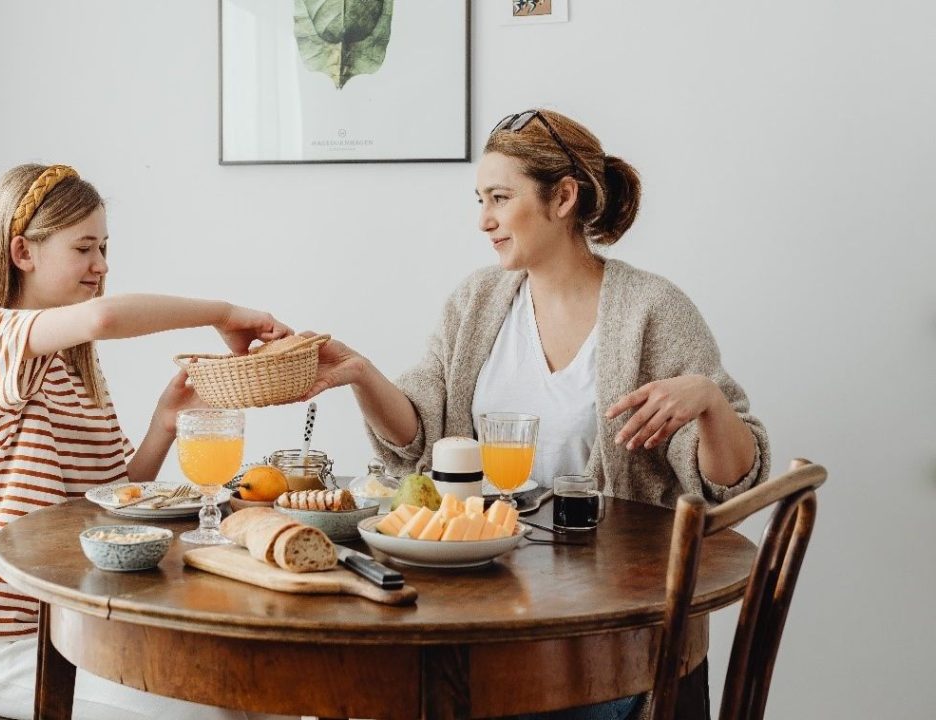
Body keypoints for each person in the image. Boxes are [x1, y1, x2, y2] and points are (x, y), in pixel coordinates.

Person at [303, 109, 771, 719]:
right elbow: (421, 434)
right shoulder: (478, 300)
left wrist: (707, 400)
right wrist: (362, 375)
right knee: (369, 694)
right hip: (484, 605)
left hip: (609, 633)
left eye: (500, 197)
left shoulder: (652, 311)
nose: (484, 220)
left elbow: (730, 480)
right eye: (480, 199)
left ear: (564, 198)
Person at [0, 163, 293, 720]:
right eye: (84, 248)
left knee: (265, 691)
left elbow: (113, 497)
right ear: (22, 253)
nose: (101, 266)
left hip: (81, 625)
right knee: (210, 711)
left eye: (103, 247)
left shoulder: (70, 367)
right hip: (7, 642)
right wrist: (224, 314)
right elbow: (103, 316)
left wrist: (164, 423)